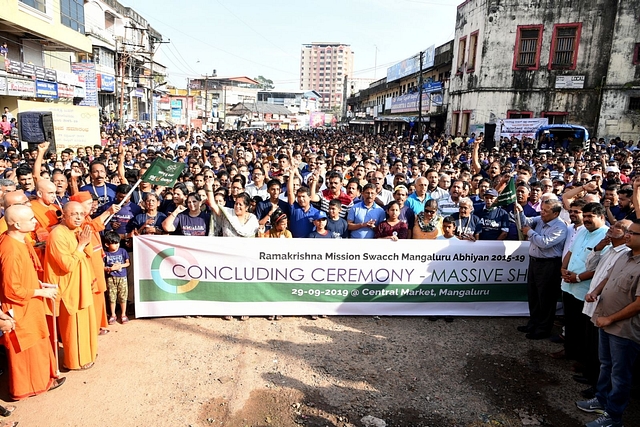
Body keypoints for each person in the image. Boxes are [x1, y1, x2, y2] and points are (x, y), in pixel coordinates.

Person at [576, 219, 640, 427]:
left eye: (634, 233)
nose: (628, 235)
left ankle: (613, 417)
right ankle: (601, 399)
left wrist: (611, 318)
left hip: (623, 329)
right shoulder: (624, 255)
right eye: (628, 232)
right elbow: (608, 277)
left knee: (620, 375)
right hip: (605, 321)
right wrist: (594, 292)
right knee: (606, 365)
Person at [0, 205, 65, 400]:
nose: (35, 221)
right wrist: (41, 292)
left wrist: (39, 283)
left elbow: (22, 276)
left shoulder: (16, 240)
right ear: (18, 224)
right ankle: (26, 388)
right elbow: (12, 290)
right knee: (26, 352)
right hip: (21, 307)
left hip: (30, 302)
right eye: (31, 219)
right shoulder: (10, 250)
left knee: (37, 345)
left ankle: (43, 379)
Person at [44, 201, 98, 371]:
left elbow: (87, 256)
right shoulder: (57, 235)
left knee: (86, 322)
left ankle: (88, 353)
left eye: (81, 214)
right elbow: (67, 265)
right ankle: (75, 361)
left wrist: (85, 242)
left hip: (82, 284)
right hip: (69, 288)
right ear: (64, 214)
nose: (78, 218)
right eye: (74, 214)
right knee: (73, 327)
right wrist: (81, 245)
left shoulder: (78, 230)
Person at [557, 203, 608, 367]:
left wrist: (578, 278)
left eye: (590, 216)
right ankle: (569, 351)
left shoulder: (606, 236)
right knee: (570, 322)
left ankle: (582, 360)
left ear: (601, 217)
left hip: (584, 289)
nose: (586, 220)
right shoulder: (582, 231)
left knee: (584, 328)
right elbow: (571, 252)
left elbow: (602, 267)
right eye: (584, 216)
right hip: (568, 285)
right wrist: (563, 268)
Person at [515, 199, 567, 339]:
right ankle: (533, 323)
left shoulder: (560, 227)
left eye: (545, 211)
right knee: (534, 295)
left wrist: (530, 232)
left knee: (546, 298)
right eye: (542, 209)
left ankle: (543, 329)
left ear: (555, 213)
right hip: (534, 262)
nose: (542, 213)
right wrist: (520, 212)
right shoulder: (540, 219)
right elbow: (526, 221)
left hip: (549, 265)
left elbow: (544, 243)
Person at [103, 231, 130, 325]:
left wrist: (120, 265)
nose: (117, 245)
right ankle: (113, 315)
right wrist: (110, 268)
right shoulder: (105, 254)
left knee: (123, 296)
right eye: (114, 243)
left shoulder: (123, 251)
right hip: (111, 278)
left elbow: (128, 263)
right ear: (107, 244)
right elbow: (102, 266)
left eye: (117, 242)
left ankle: (123, 314)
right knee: (111, 297)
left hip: (122, 277)